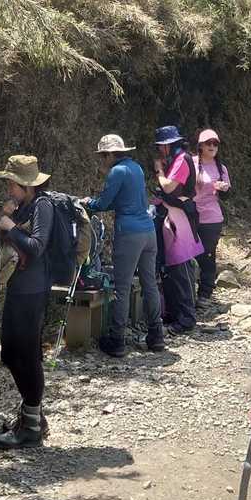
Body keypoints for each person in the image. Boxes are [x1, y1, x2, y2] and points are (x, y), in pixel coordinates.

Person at [0, 154, 54, 450]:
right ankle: (33, 417)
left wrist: (10, 226)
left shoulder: (42, 205)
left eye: (11, 183)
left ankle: (31, 426)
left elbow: (37, 247)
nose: (8, 188)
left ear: (25, 185)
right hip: (20, 287)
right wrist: (4, 219)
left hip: (33, 290)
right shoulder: (23, 206)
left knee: (26, 356)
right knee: (12, 353)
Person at [88, 134, 165, 358]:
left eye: (103, 156)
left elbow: (103, 203)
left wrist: (88, 202)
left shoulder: (117, 171)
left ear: (109, 155)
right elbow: (123, 198)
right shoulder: (136, 168)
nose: (102, 161)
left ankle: (117, 340)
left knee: (122, 287)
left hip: (129, 233)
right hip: (148, 231)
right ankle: (156, 336)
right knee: (150, 284)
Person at [152, 125, 203, 334]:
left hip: (179, 219)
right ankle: (175, 314)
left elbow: (168, 187)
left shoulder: (181, 159)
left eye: (161, 146)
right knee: (173, 269)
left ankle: (187, 318)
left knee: (181, 268)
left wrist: (159, 170)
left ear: (168, 145)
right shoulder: (178, 158)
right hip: (176, 216)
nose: (159, 150)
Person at [192, 128, 230, 304]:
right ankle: (187, 291)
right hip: (190, 215)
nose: (212, 146)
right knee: (187, 255)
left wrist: (224, 189)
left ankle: (205, 293)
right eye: (208, 143)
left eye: (215, 143)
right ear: (201, 145)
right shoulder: (191, 163)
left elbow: (227, 196)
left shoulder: (221, 168)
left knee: (207, 255)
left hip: (212, 219)